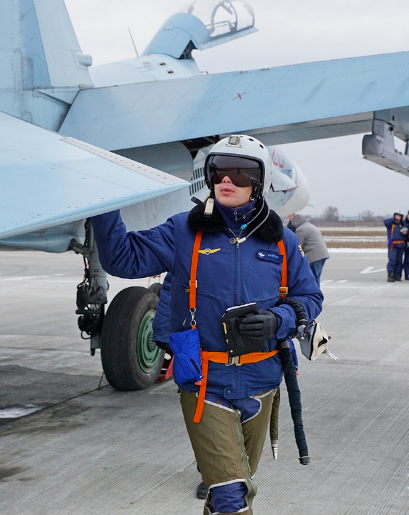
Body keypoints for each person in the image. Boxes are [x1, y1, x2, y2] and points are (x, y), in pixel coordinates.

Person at [91, 135, 323, 515]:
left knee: (228, 491)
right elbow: (121, 259)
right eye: (218, 171)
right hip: (205, 384)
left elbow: (311, 298)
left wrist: (278, 319)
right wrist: (103, 198)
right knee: (232, 495)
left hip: (262, 384)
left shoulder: (282, 241)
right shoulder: (183, 232)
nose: (226, 180)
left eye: (241, 172)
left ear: (260, 182)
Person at [289, 213, 330, 287]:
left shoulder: (301, 229)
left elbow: (298, 246)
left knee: (313, 278)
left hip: (313, 256)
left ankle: (315, 293)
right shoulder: (309, 226)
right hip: (322, 254)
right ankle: (316, 292)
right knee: (316, 277)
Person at [383, 212, 407, 282]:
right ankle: (390, 275)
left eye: (399, 216)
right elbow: (385, 222)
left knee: (399, 261)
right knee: (392, 260)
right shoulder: (391, 224)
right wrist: (394, 219)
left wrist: (406, 233)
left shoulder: (403, 224)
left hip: (401, 244)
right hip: (393, 245)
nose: (398, 217)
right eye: (396, 216)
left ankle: (396, 275)